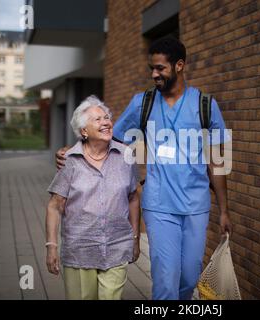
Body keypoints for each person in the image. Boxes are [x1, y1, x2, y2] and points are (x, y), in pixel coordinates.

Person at [56, 37, 232, 300]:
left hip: (197, 205)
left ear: (180, 66)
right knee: (165, 277)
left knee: (188, 277)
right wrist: (71, 150)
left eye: (160, 68)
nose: (154, 74)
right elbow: (108, 135)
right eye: (152, 68)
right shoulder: (143, 103)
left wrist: (224, 210)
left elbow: (217, 162)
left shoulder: (206, 106)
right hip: (158, 204)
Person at [46, 95, 140, 300]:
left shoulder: (126, 156)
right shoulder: (69, 160)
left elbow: (133, 197)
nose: (106, 122)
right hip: (79, 250)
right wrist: (52, 247)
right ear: (84, 131)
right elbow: (55, 206)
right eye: (97, 119)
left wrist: (135, 238)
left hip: (116, 246)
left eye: (106, 117)